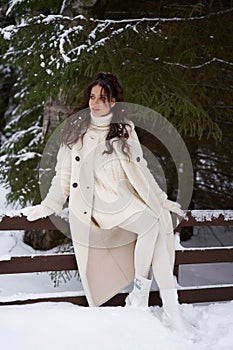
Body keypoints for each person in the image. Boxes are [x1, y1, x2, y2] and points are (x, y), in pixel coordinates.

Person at [22, 72, 185, 332]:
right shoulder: (76, 130)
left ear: (113, 102)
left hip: (125, 198)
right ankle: (148, 300)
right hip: (96, 204)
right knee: (152, 225)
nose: (95, 102)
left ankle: (165, 306)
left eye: (103, 97)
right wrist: (48, 206)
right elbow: (62, 177)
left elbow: (141, 170)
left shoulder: (125, 129)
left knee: (158, 222)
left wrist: (161, 200)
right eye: (92, 96)